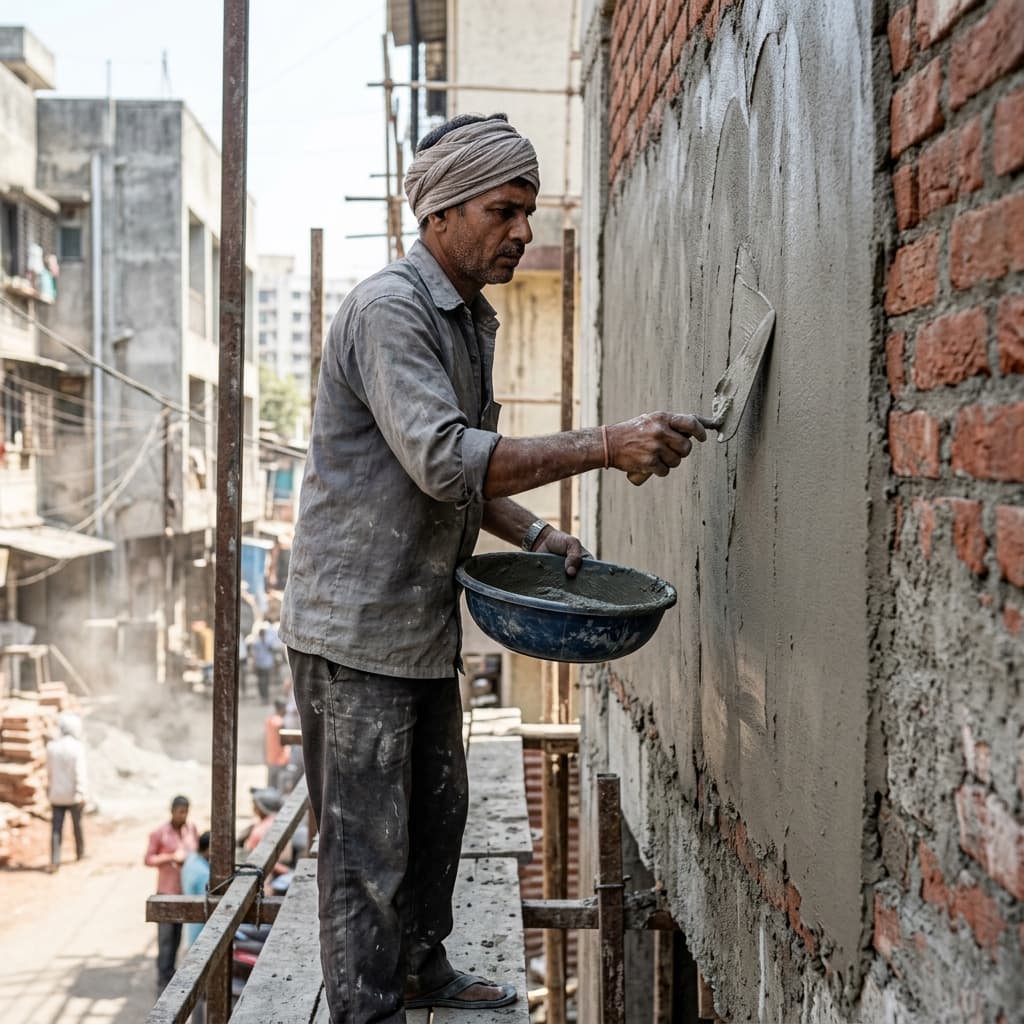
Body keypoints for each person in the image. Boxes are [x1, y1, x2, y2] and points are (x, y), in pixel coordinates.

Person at [279, 112, 706, 1022]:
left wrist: (538, 537)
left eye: (528, 211)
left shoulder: (467, 317)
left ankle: (420, 970)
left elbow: (456, 470)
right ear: (440, 213)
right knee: (365, 854)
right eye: (503, 211)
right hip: (354, 631)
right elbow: (446, 460)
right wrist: (604, 444)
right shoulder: (391, 310)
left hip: (417, 621)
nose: (522, 230)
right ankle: (366, 1009)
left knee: (439, 817)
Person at [145, 795, 200, 992]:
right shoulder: (160, 833)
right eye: (180, 812)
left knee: (177, 937)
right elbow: (148, 859)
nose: (183, 816)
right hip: (166, 892)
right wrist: (170, 858)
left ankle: (170, 972)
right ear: (172, 811)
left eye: (186, 812)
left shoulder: (191, 830)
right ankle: (162, 977)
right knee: (165, 939)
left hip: (184, 892)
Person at [46, 712, 88, 872]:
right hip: (73, 795)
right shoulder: (77, 747)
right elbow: (80, 773)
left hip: (56, 795)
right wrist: (82, 792)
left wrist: (50, 790)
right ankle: (80, 853)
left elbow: (49, 772)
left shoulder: (52, 747)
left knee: (56, 829)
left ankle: (55, 860)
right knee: (77, 825)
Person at [181, 831, 210, 1024]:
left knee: (197, 988)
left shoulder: (191, 860)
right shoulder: (204, 874)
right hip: (201, 936)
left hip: (191, 932)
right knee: (202, 990)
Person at [264, 697, 290, 789]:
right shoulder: (280, 723)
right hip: (281, 759)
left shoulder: (268, 721)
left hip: (270, 758)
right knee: (280, 788)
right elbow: (286, 741)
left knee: (270, 787)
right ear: (282, 709)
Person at [249, 626, 277, 703]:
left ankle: (265, 697)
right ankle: (263, 696)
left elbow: (272, 650)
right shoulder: (256, 642)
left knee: (266, 681)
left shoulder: (268, 641)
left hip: (266, 664)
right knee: (261, 681)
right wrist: (254, 664)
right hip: (261, 664)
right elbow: (254, 654)